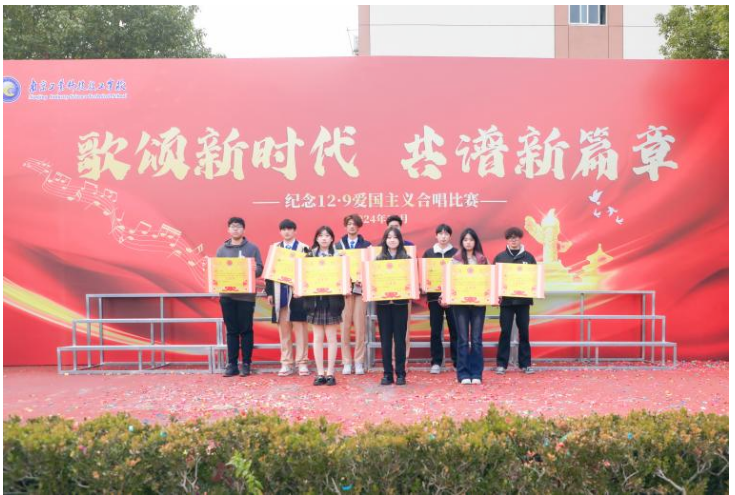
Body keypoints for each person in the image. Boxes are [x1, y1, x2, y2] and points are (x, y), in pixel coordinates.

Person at [216, 217, 264, 378]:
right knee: (231, 331)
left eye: (238, 227)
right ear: (228, 230)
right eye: (232, 226)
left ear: (244, 229)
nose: (235, 229)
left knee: (246, 330)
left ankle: (246, 364)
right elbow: (217, 271)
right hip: (227, 295)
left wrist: (248, 267)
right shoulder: (221, 250)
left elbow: (259, 269)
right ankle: (232, 364)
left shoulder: (252, 248)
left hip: (246, 296)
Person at [265, 219, 311, 377]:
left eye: (290, 229)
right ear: (280, 231)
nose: (287, 232)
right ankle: (286, 363)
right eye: (284, 229)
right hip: (280, 294)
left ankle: (302, 363)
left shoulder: (304, 248)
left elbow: (309, 272)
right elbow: (269, 272)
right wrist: (270, 292)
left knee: (301, 331)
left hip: (298, 295)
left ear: (295, 231)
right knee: (284, 332)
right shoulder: (275, 249)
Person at [302, 226, 345, 386]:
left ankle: (331, 373)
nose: (324, 238)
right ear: (316, 238)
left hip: (332, 300)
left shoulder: (339, 257)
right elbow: (303, 277)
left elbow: (345, 277)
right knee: (318, 337)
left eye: (327, 235)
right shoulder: (309, 256)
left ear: (332, 238)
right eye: (321, 235)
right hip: (314, 301)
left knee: (332, 338)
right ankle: (320, 373)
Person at [493, 227, 538, 375]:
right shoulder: (500, 258)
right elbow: (494, 279)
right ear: (507, 240)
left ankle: (525, 364)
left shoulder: (529, 258)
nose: (513, 240)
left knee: (524, 332)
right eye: (510, 237)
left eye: (516, 237)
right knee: (505, 332)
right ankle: (501, 364)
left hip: (523, 301)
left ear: (520, 239)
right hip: (506, 302)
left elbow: (535, 278)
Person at [449, 228, 488, 385]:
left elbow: (488, 280)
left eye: (471, 239)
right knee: (463, 339)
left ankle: (477, 373)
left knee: (476, 339)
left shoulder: (482, 260)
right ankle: (463, 373)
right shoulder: (455, 260)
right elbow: (449, 280)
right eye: (465, 240)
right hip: (460, 304)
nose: (468, 242)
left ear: (475, 242)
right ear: (461, 242)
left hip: (478, 303)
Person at [374, 227, 411, 386]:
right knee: (385, 340)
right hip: (383, 304)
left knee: (400, 340)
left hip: (400, 304)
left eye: (395, 237)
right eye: (389, 237)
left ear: (400, 240)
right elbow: (374, 280)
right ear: (385, 240)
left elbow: (411, 281)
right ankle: (387, 374)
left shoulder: (407, 259)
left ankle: (401, 373)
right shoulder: (378, 260)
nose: (392, 240)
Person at [336, 214, 371, 375]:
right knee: (344, 327)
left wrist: (364, 279)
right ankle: (346, 362)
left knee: (360, 326)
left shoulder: (367, 246)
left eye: (354, 224)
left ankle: (359, 361)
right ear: (345, 226)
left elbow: (371, 268)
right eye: (349, 223)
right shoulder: (338, 246)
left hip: (360, 290)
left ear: (359, 226)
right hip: (344, 291)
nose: (352, 226)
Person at [422, 224, 458, 373]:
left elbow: (460, 274)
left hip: (453, 297)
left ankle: (457, 361)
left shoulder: (456, 253)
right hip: (434, 297)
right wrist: (424, 285)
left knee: (455, 330)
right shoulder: (429, 253)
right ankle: (436, 362)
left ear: (450, 236)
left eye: (446, 234)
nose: (443, 236)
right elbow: (423, 273)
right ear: (436, 236)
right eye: (440, 234)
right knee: (435, 330)